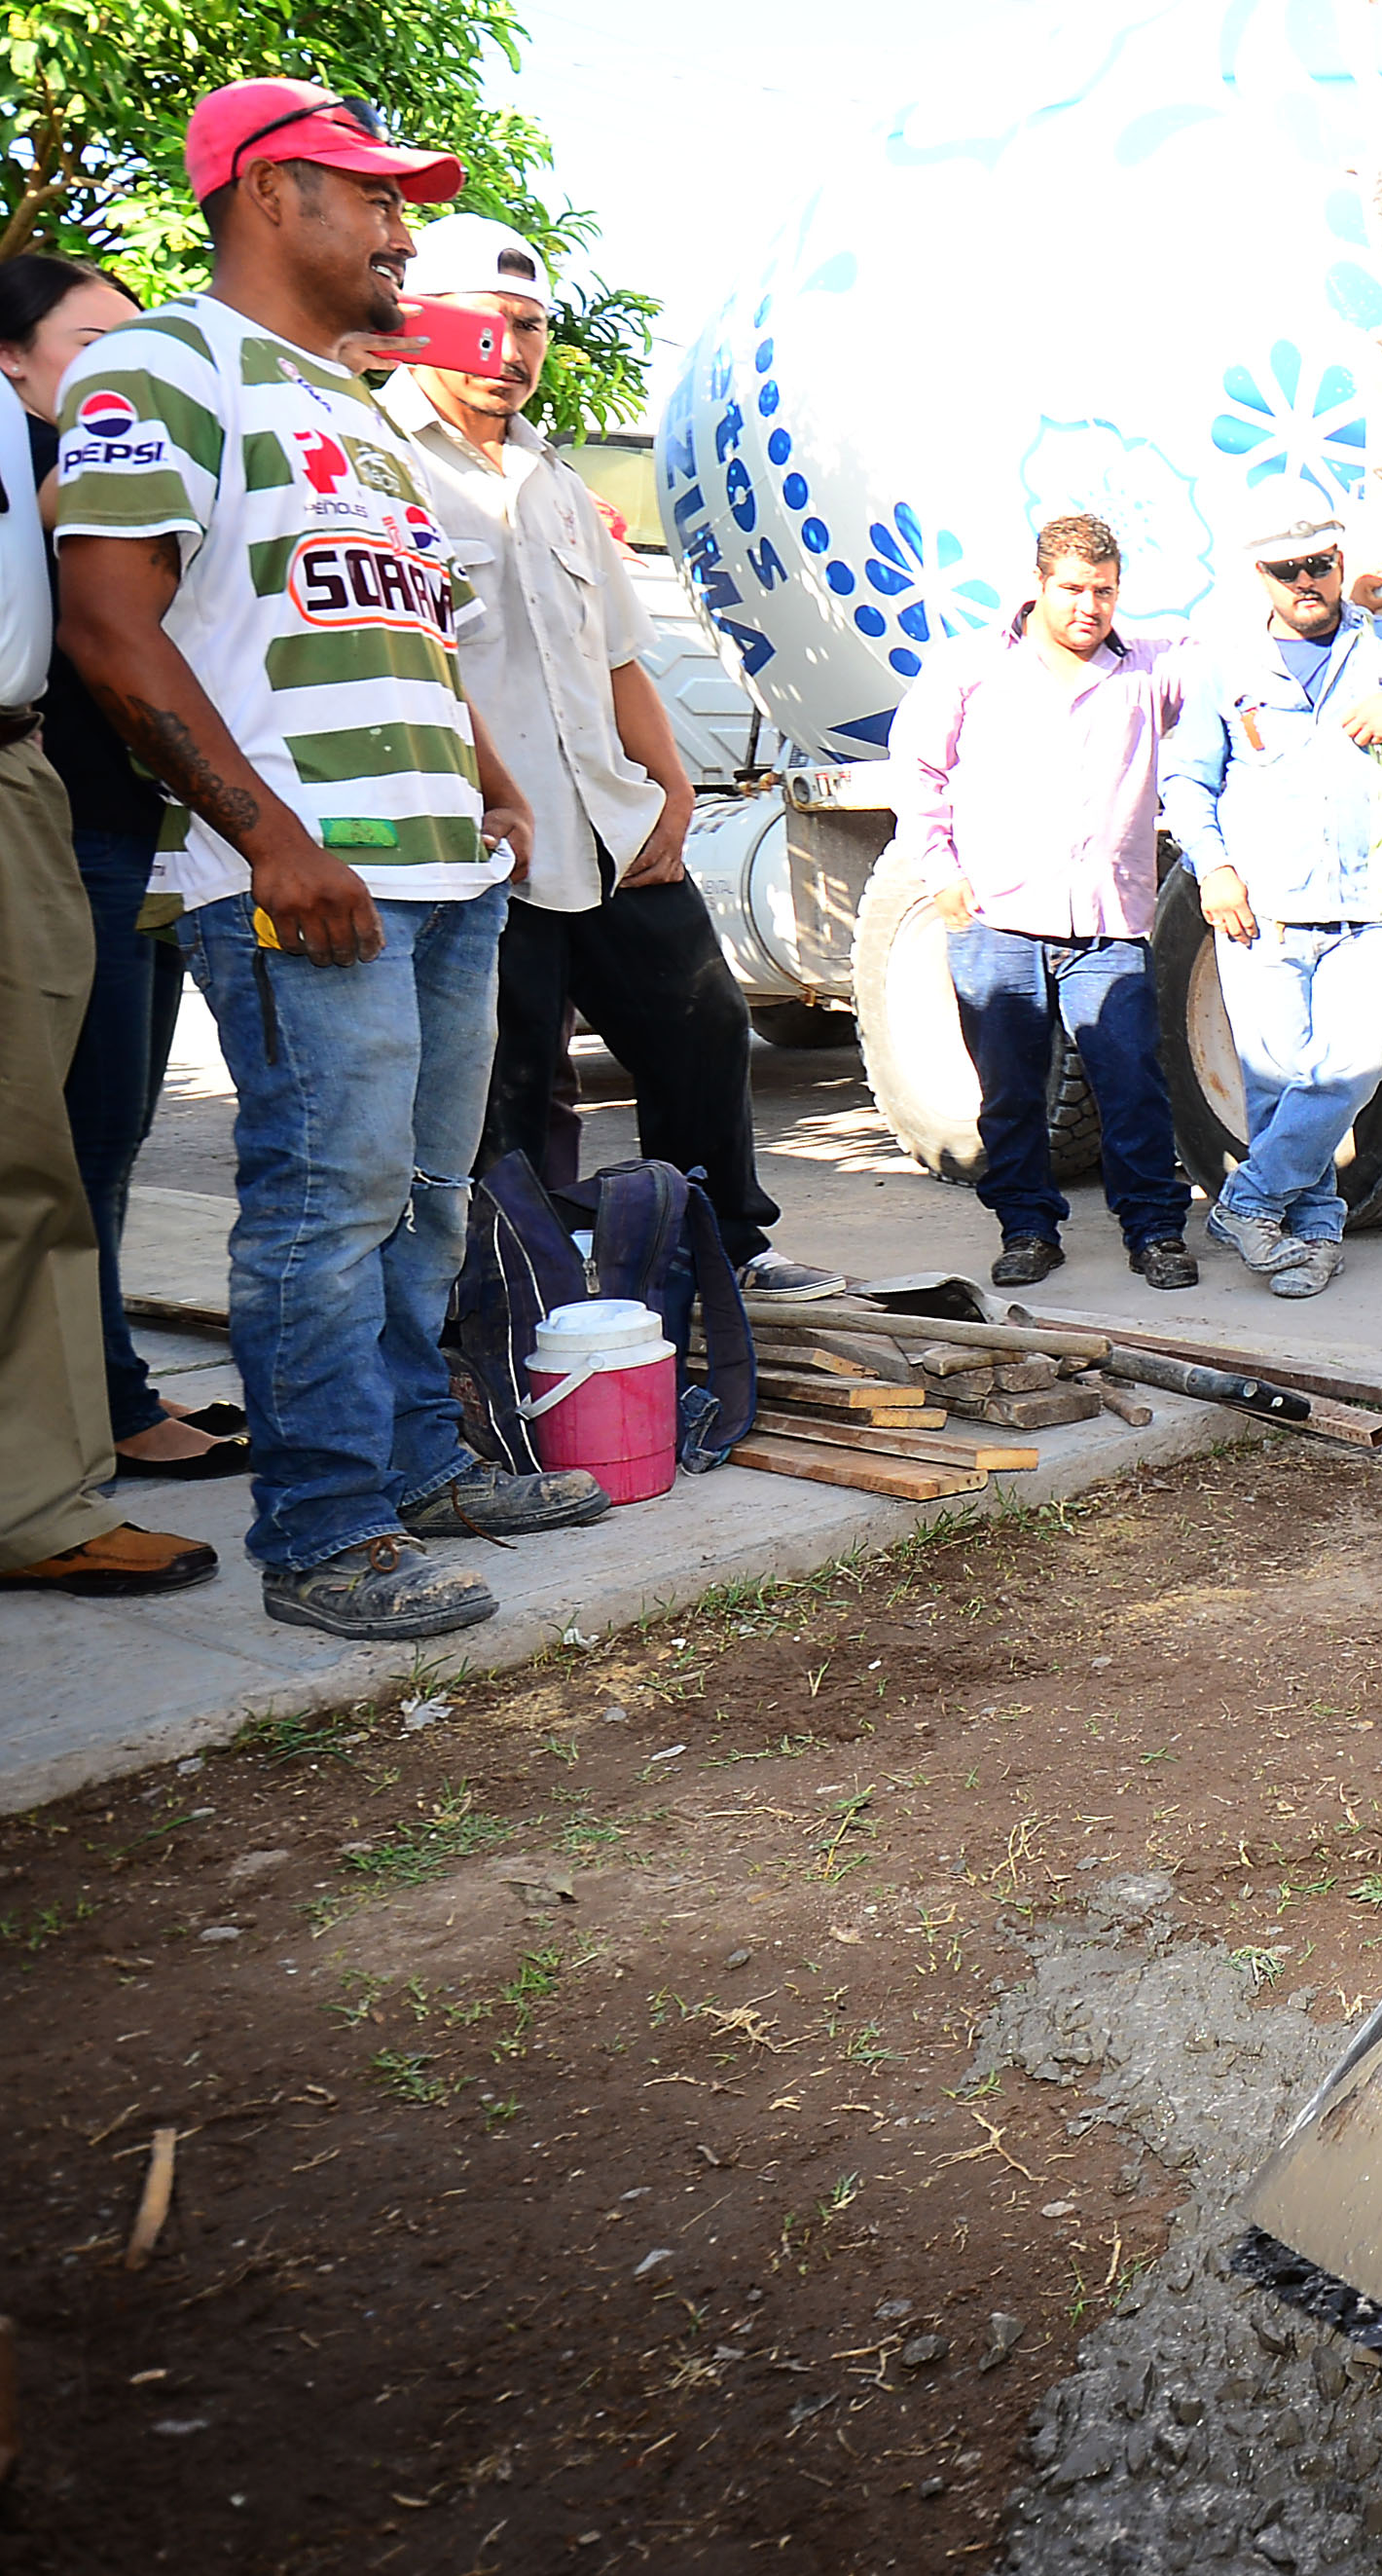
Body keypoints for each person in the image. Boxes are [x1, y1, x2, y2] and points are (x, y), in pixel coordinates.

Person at [55, 81, 603, 1640]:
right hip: (304, 884)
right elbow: (109, 622)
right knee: (325, 1202)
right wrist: (274, 842)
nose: (399, 229)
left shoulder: (358, 408)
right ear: (268, 195)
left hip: (439, 879)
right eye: (370, 197)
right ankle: (322, 1530)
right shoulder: (164, 363)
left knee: (426, 1199)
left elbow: (410, 627)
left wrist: (490, 783)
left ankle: (416, 1470)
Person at [377, 215, 841, 1304]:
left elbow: (622, 657)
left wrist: (673, 789)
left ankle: (722, 1249)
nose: (519, 349)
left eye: (534, 326)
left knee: (704, 1033)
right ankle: (508, 1286)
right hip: (487, 846)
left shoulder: (554, 477)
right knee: (506, 1083)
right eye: (495, 323)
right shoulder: (384, 466)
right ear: (422, 322)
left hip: (613, 826)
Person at [9, 252, 252, 1488]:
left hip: (149, 839)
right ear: (12, 358)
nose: (123, 372)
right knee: (81, 1140)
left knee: (117, 1133)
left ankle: (108, 1388)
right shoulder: (42, 475)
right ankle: (103, 1402)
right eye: (92, 345)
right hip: (75, 839)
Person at [1159, 513, 1382, 1299]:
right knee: (1275, 1089)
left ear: (1340, 561)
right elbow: (1187, 782)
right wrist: (1215, 870)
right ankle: (1308, 1241)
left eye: (1319, 563)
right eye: (1287, 568)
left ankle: (1245, 1204)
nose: (1306, 580)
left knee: (1355, 1068)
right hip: (1259, 915)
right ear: (1260, 577)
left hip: (1365, 910)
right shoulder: (1225, 665)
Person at [892, 512, 1198, 1290]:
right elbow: (918, 771)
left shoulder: (1151, 668)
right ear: (1037, 586)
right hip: (997, 917)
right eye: (1072, 589)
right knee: (1011, 1090)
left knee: (1131, 1080)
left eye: (1104, 591)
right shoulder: (970, 665)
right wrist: (940, 872)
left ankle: (1155, 1232)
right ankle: (1028, 1228)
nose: (1088, 607)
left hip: (1107, 922)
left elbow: (1247, 661)